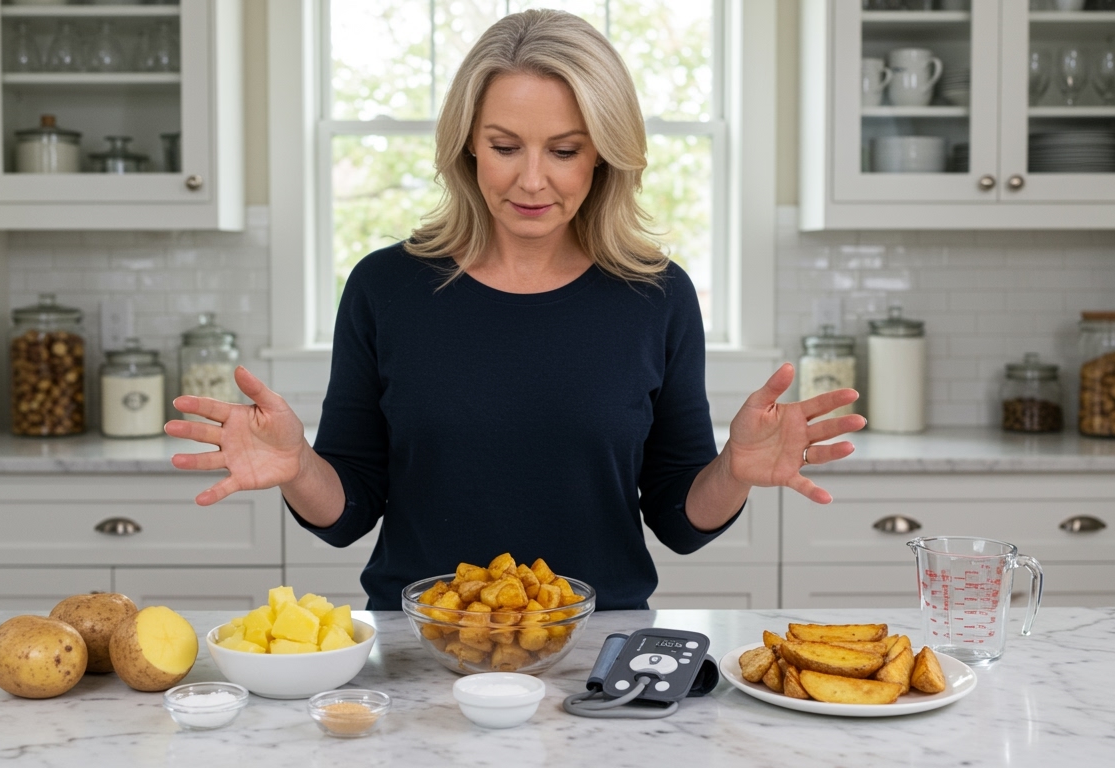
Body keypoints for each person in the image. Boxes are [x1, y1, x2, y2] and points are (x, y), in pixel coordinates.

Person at [167, 9, 865, 610]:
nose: (532, 180)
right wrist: (297, 468)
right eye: (505, 146)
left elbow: (679, 521)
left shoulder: (657, 295)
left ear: (604, 157)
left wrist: (732, 472)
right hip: (422, 647)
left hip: (596, 646)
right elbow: (348, 512)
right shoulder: (386, 287)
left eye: (564, 151)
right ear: (469, 142)